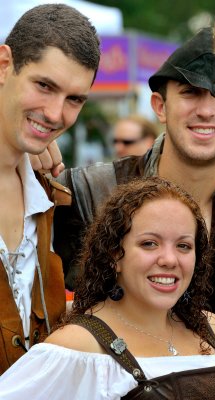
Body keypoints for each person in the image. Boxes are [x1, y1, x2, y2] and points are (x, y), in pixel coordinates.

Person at [32, 25, 215, 395]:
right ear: (160, 105)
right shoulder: (87, 190)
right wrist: (19, 157)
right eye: (190, 93)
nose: (205, 109)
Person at [0, 177, 215, 399]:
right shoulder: (79, 345)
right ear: (115, 254)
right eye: (149, 243)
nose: (169, 260)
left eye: (183, 245)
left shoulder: (212, 329)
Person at [0, 3, 100, 373]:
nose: (57, 114)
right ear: (4, 65)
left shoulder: (48, 194)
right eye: (44, 86)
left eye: (74, 99)